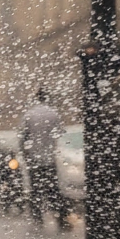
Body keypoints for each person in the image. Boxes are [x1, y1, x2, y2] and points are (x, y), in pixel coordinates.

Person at [19, 88, 71, 229]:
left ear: (36, 98)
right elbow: (59, 133)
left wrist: (25, 154)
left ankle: (37, 219)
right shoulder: (53, 113)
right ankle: (61, 219)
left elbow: (23, 136)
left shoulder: (29, 114)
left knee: (35, 189)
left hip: (34, 158)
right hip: (49, 157)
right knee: (53, 189)